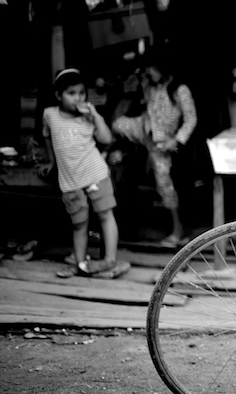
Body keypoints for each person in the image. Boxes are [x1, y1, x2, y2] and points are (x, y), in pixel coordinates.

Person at [40, 68, 129, 278]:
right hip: (70, 181)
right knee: (79, 223)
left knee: (106, 215)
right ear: (58, 95)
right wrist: (52, 162)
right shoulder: (49, 115)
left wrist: (96, 115)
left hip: (95, 173)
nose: (78, 98)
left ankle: (109, 260)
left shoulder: (89, 118)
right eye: (72, 93)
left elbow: (107, 139)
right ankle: (80, 263)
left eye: (81, 93)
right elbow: (47, 137)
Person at [111, 47, 197, 247]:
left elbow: (191, 118)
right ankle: (118, 151)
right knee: (116, 124)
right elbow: (146, 109)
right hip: (146, 132)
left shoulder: (179, 89)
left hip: (165, 143)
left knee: (165, 184)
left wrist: (176, 141)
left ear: (162, 67)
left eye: (151, 67)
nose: (148, 71)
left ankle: (178, 232)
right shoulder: (151, 86)